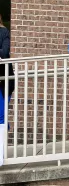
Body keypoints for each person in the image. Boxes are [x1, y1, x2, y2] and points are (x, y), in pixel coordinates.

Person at [0, 14, 14, 166]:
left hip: (4, 81)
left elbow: (4, 53)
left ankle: (1, 155)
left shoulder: (4, 32)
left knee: (1, 115)